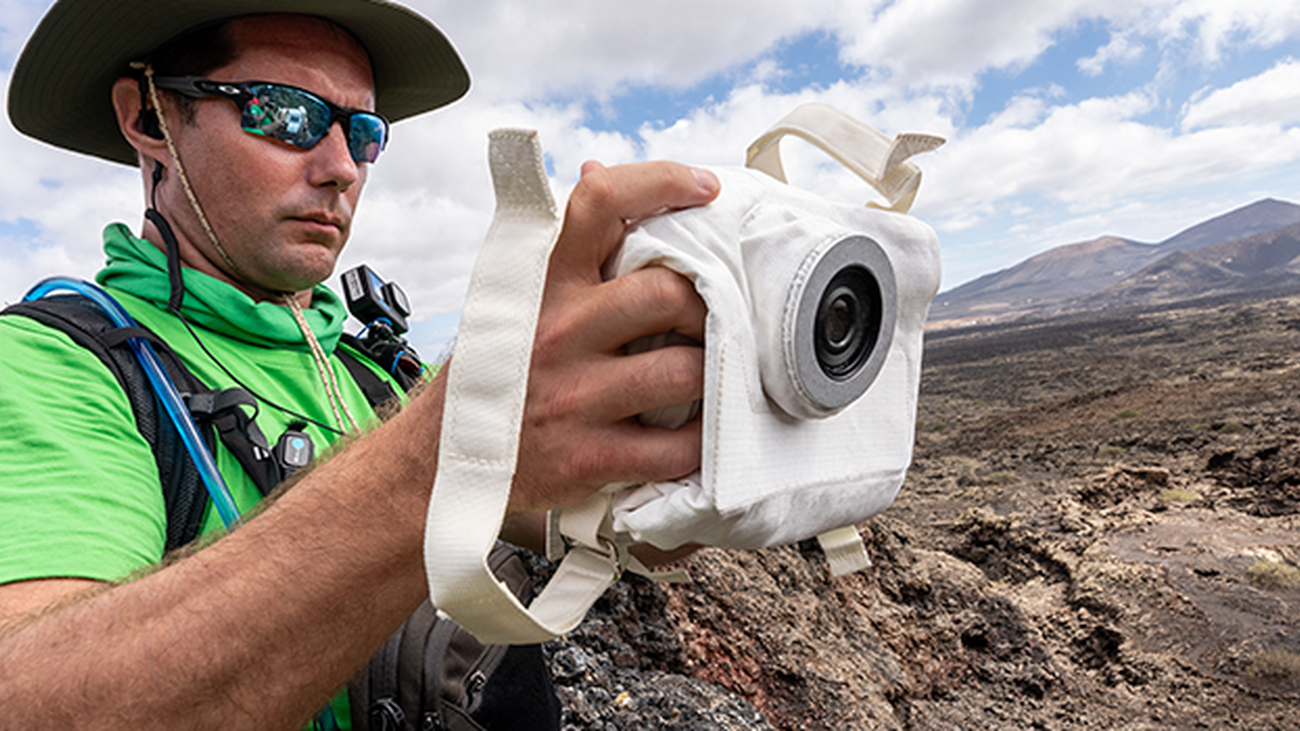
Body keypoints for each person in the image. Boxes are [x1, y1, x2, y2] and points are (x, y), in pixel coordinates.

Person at [0, 0, 716, 728]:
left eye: (363, 132)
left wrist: (689, 425)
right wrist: (437, 450)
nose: (341, 168)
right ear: (149, 117)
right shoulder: (56, 364)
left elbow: (627, 527)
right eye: (283, 113)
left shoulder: (373, 370)